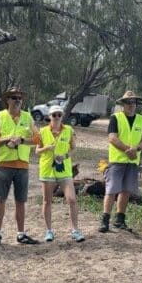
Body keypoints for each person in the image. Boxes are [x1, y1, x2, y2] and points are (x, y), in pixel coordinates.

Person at [0, 86, 40, 245]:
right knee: (0, 200)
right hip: (4, 164)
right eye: (13, 97)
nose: (17, 100)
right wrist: (7, 139)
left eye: (19, 98)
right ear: (7, 100)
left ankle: (21, 234)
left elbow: (38, 139)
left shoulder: (28, 117)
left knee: (21, 201)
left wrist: (22, 140)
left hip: (22, 166)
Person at [99, 90, 142, 233]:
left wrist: (138, 148)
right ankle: (105, 220)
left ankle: (119, 220)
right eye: (128, 102)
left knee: (126, 190)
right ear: (123, 104)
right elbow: (112, 138)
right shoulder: (115, 118)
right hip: (117, 160)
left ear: (136, 104)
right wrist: (129, 150)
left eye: (133, 102)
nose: (131, 105)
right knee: (111, 190)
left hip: (133, 161)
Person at [37, 104, 84, 242]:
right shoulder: (42, 131)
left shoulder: (69, 130)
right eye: (54, 115)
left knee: (72, 199)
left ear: (62, 116)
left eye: (59, 115)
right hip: (47, 170)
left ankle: (75, 230)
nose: (57, 117)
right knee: (47, 201)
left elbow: (74, 148)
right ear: (49, 117)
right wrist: (46, 147)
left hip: (64, 170)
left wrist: (65, 156)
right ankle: (49, 231)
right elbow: (37, 151)